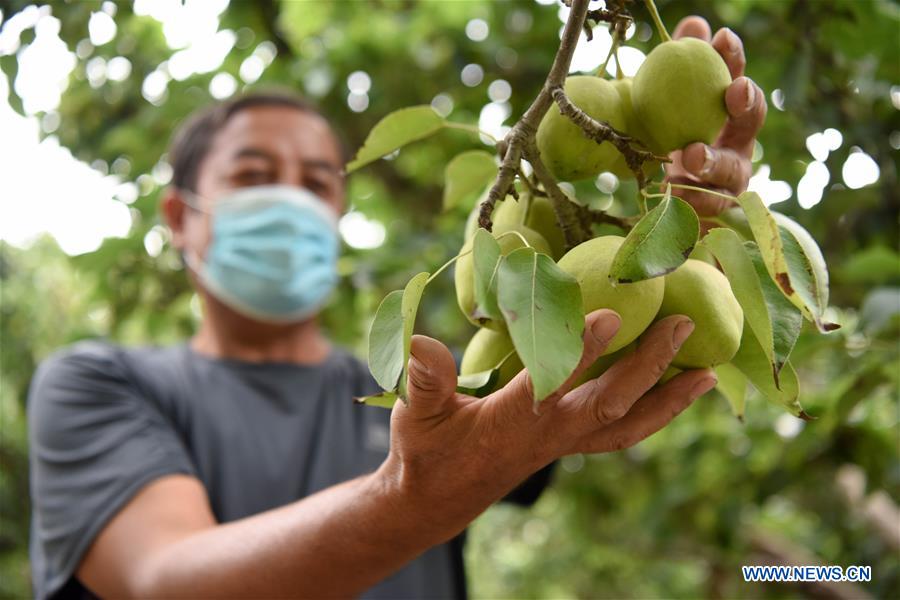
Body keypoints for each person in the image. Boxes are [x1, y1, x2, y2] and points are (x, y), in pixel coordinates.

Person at [28, 16, 765, 600]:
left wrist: (667, 227)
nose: (291, 201)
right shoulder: (99, 383)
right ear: (180, 215)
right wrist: (417, 496)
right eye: (255, 175)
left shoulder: (418, 389)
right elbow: (163, 581)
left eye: (317, 183)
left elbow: (578, 370)